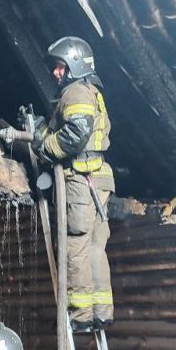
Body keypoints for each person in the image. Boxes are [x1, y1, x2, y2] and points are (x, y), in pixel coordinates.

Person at [31, 36, 115, 333]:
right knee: (95, 247)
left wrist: (45, 146)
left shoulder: (75, 91)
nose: (55, 72)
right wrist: (43, 128)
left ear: (75, 65)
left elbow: (75, 135)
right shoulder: (92, 91)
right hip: (99, 177)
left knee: (75, 246)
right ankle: (101, 313)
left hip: (81, 180)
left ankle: (81, 316)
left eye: (60, 66)